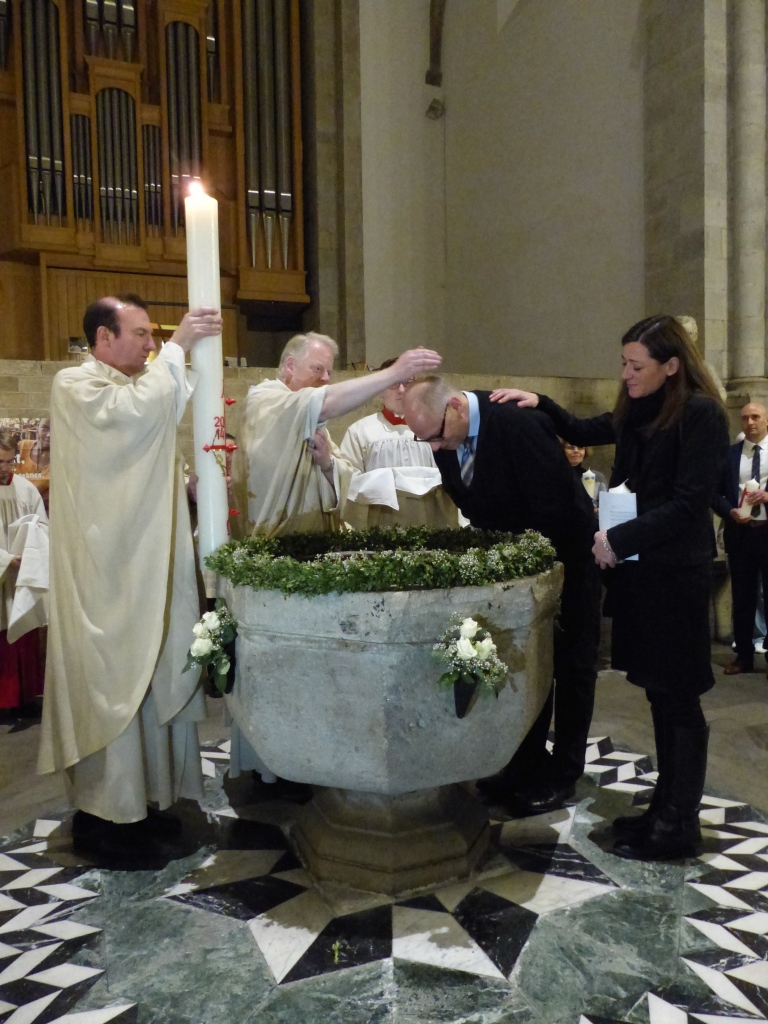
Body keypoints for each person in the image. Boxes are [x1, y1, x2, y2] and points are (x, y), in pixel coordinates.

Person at [491, 314, 729, 860]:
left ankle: (680, 823)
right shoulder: (642, 410)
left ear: (672, 366)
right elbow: (583, 428)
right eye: (623, 362)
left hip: (678, 576)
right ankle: (664, 808)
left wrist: (618, 539)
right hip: (645, 577)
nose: (625, 374)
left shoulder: (701, 414)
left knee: (680, 698)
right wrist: (540, 403)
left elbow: (689, 503)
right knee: (658, 691)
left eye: (635, 365)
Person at [37, 294, 223, 862]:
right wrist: (181, 346)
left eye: (153, 334)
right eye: (140, 334)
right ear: (102, 339)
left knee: (153, 667)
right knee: (112, 682)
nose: (150, 343)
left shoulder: (138, 386)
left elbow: (152, 445)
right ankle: (104, 822)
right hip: (103, 577)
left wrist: (191, 488)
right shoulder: (77, 387)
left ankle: (144, 806)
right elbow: (133, 420)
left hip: (142, 565)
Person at [402, 374, 600, 813]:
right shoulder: (443, 437)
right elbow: (466, 498)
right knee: (526, 665)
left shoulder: (517, 424)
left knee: (571, 667)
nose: (435, 448)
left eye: (435, 436)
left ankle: (563, 773)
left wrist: (532, 565)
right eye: (424, 441)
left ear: (454, 406)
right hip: (517, 570)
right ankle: (522, 762)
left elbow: (556, 505)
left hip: (566, 561)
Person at [231, 333, 442, 538]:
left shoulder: (310, 419)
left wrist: (327, 465)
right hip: (274, 541)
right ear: (290, 365)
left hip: (311, 539)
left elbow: (345, 474)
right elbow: (323, 403)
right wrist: (395, 372)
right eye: (317, 368)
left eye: (329, 372)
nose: (325, 378)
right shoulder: (266, 401)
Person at [340, 358, 459, 530]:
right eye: (393, 384)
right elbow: (349, 481)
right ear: (380, 390)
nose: (402, 390)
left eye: (407, 382)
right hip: (382, 520)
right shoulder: (360, 431)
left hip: (431, 517)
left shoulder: (435, 426)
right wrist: (386, 481)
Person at [713, 402, 768, 676]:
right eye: (745, 418)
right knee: (743, 596)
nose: (750, 422)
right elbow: (713, 494)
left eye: (756, 417)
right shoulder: (730, 454)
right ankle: (744, 656)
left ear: (766, 420)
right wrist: (730, 511)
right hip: (742, 533)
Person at [0, 431, 47, 714]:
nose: (4, 467)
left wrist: (31, 553)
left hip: (21, 575)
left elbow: (41, 526)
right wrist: (6, 559)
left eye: (8, 461)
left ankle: (24, 698)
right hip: (6, 569)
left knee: (24, 633)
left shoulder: (26, 489)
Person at [561, 440, 607, 513]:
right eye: (571, 448)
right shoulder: (555, 476)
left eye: (580, 448)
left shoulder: (597, 477)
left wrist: (596, 510)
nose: (576, 451)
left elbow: (606, 509)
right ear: (562, 451)